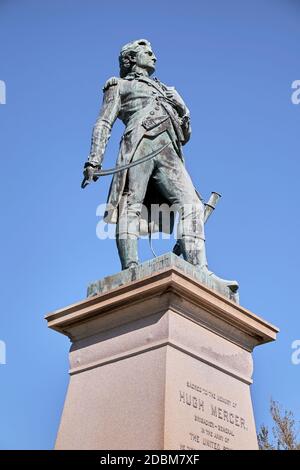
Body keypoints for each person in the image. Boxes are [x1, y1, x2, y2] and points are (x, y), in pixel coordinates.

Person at [82, 39, 238, 294]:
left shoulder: (166, 90)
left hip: (169, 152)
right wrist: (94, 158)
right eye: (147, 53)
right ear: (131, 59)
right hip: (138, 147)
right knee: (130, 204)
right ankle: (130, 266)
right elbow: (103, 122)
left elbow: (184, 135)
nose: (154, 57)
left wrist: (183, 108)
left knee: (193, 205)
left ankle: (199, 267)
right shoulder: (118, 86)